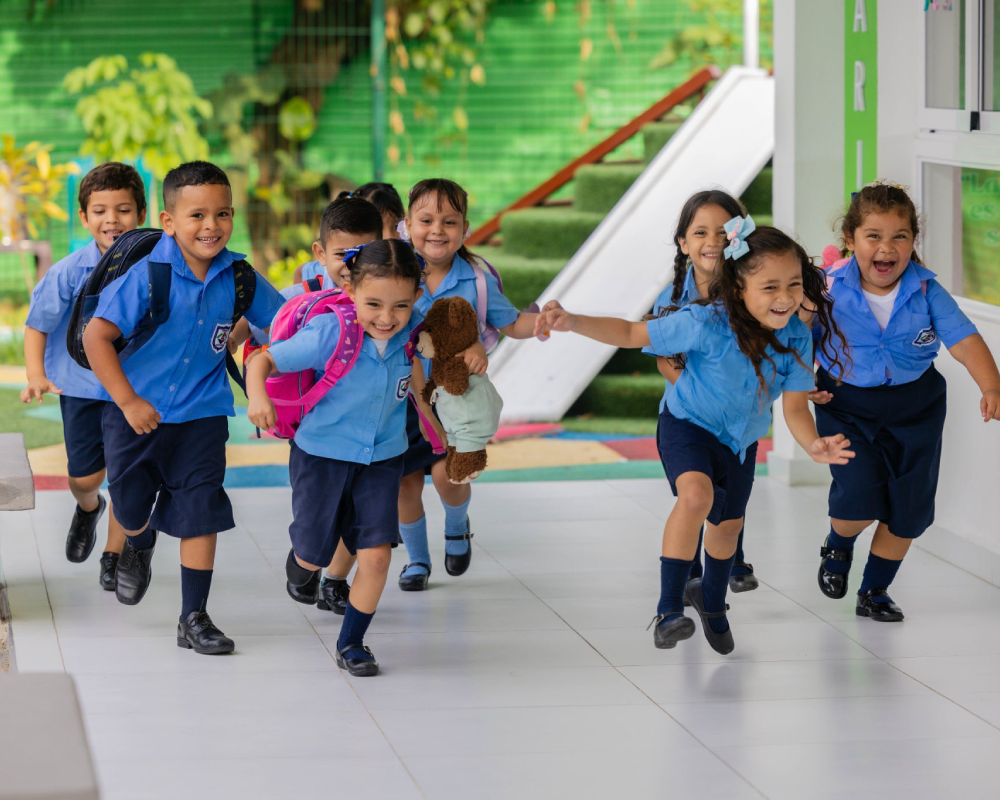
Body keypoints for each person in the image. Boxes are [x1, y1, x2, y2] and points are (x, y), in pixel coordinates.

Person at [535, 219, 854, 654]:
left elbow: (795, 407)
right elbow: (631, 333)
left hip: (740, 442)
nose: (785, 298)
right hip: (688, 425)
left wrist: (813, 444)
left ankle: (713, 602)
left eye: (794, 285)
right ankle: (669, 611)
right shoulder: (705, 321)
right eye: (770, 287)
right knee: (696, 498)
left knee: (728, 528)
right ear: (739, 286)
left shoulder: (796, 336)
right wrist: (572, 321)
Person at [83, 161, 284, 654]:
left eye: (222, 213)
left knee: (201, 511)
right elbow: (97, 335)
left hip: (202, 416)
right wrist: (128, 402)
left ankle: (194, 617)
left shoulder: (239, 277)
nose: (210, 225)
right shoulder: (148, 276)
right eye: (196, 215)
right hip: (134, 416)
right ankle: (139, 539)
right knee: (131, 508)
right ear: (170, 222)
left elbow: (283, 322)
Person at [814, 182, 1000, 621]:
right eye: (873, 236)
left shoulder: (927, 291)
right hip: (845, 404)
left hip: (916, 408)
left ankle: (874, 590)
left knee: (909, 508)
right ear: (850, 239)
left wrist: (991, 386)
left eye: (899, 236)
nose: (887, 247)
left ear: (913, 241)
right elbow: (796, 337)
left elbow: (965, 340)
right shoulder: (826, 288)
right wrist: (800, 383)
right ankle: (838, 544)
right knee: (858, 496)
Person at [245, 240, 426, 677]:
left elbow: (421, 376)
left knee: (377, 556)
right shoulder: (333, 332)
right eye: (374, 304)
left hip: (383, 459)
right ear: (350, 289)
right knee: (312, 552)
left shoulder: (414, 332)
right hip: (321, 456)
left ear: (417, 297)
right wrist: (256, 398)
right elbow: (263, 361)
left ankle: (352, 643)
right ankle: (303, 566)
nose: (387, 317)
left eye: (400, 305)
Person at [395, 178, 539, 590]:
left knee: (447, 476)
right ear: (407, 224)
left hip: (454, 400)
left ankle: (457, 527)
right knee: (404, 482)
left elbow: (511, 322)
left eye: (449, 221)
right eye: (426, 220)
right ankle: (417, 562)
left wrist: (542, 322)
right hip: (401, 398)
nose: (437, 230)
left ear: (465, 229)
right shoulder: (394, 268)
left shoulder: (475, 279)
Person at [21, 162, 146, 589]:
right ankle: (88, 507)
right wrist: (36, 373)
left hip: (133, 389)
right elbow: (37, 324)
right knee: (86, 476)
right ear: (84, 217)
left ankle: (112, 556)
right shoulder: (68, 272)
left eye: (123, 209)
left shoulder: (155, 268)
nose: (112, 219)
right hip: (82, 388)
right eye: (100, 211)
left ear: (142, 215)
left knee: (127, 473)